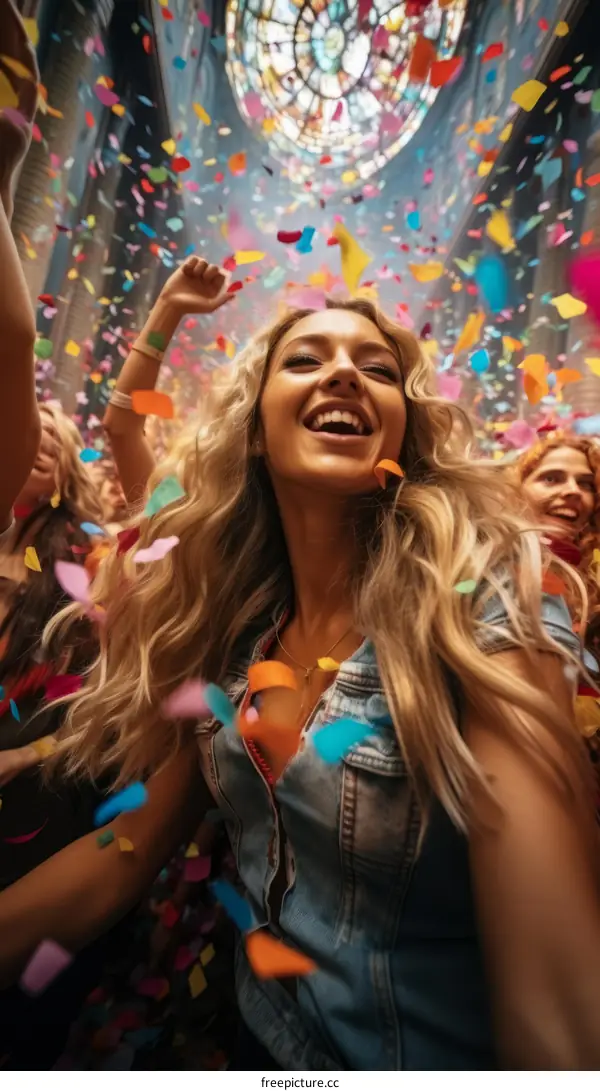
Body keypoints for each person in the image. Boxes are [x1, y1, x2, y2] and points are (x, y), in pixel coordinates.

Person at [2, 283, 600, 1070]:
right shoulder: (238, 637)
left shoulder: (484, 605)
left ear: (405, 432)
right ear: (254, 431)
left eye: (377, 369)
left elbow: (557, 996)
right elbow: (122, 856)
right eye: (307, 359)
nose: (344, 375)